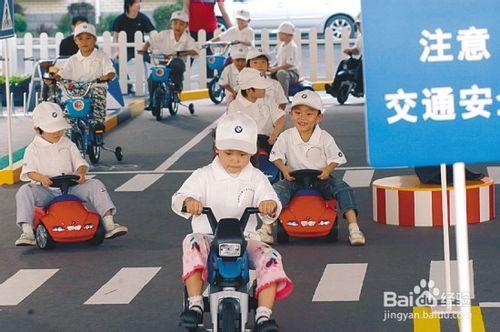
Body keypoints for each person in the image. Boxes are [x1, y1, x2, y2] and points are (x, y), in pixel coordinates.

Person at [172, 112, 293, 331]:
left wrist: (269, 204)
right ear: (217, 149)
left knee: (271, 256)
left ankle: (264, 315)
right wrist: (188, 201)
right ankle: (195, 304)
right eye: (228, 153)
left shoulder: (256, 177)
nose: (235, 160)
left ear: (252, 153)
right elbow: (178, 198)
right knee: (191, 242)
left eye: (242, 154)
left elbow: (271, 199)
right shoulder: (203, 175)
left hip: (245, 240)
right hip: (208, 239)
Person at [14, 102, 128, 246]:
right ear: (38, 129)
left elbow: (80, 163)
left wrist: (81, 173)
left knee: (95, 184)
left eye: (59, 129)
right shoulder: (33, 149)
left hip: (72, 187)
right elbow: (29, 172)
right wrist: (41, 178)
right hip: (47, 191)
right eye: (52, 129)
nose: (57, 133)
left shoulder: (67, 143)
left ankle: (109, 223)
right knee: (24, 191)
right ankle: (27, 232)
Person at [268, 90, 366, 246]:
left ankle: (354, 228)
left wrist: (327, 170)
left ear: (319, 117)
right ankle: (266, 228)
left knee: (343, 189)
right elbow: (276, 156)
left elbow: (336, 158)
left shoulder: (325, 137)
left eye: (309, 114)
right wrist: (284, 169)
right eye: (298, 113)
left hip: (321, 178)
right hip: (293, 178)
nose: (302, 118)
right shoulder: (286, 136)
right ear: (291, 114)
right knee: (275, 191)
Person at [50, 23, 115, 131]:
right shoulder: (72, 59)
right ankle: (69, 129)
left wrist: (107, 76)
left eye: (88, 38)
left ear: (94, 40)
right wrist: (55, 78)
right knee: (68, 107)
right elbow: (62, 73)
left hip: (95, 87)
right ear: (76, 41)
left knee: (98, 93)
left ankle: (98, 123)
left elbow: (111, 71)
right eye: (80, 39)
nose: (84, 42)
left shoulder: (101, 56)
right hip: (76, 89)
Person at [138, 11, 198, 110]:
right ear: (171, 24)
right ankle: (152, 101)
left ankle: (177, 86)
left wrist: (180, 53)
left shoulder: (188, 39)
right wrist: (144, 49)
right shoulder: (164, 34)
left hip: (176, 62)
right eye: (175, 23)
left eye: (181, 24)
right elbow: (151, 40)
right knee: (152, 78)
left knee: (177, 64)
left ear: (186, 26)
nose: (178, 26)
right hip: (163, 61)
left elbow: (195, 51)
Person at [227, 67, 285, 146]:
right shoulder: (235, 107)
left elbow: (280, 118)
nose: (265, 89)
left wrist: (274, 134)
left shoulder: (267, 99)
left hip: (267, 142)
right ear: (249, 91)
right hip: (246, 145)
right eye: (261, 87)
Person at [183, 0, 232, 78]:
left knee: (210, 59)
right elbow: (185, 8)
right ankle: (181, 83)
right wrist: (185, 26)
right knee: (189, 57)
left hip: (211, 29)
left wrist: (231, 28)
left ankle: (209, 86)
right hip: (192, 29)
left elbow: (222, 9)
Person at [325, 15, 363, 98]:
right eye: (358, 25)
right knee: (343, 63)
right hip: (358, 59)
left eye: (359, 24)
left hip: (364, 61)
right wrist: (350, 50)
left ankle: (359, 89)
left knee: (361, 65)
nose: (358, 27)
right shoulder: (360, 37)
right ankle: (334, 88)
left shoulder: (369, 37)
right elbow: (357, 50)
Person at [112, 0, 155, 65]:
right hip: (125, 51)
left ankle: (148, 76)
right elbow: (115, 37)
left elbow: (152, 32)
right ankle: (126, 76)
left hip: (141, 50)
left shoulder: (143, 18)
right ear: (129, 4)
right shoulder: (119, 20)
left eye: (139, 2)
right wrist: (117, 51)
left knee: (155, 63)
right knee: (117, 63)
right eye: (136, 2)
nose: (139, 4)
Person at [269, 22, 299, 98]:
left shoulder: (292, 47)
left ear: (288, 35)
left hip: (291, 73)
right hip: (282, 70)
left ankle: (284, 98)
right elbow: (279, 61)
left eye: (281, 34)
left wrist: (275, 69)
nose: (279, 35)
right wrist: (271, 67)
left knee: (281, 73)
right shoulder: (282, 45)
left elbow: (289, 64)